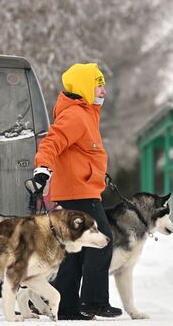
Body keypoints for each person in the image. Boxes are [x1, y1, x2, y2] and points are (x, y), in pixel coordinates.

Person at [27, 63, 122, 320]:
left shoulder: (87, 113)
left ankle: (68, 308)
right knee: (101, 240)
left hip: (80, 189)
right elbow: (52, 141)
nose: (103, 90)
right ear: (83, 86)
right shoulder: (75, 116)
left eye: (103, 84)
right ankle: (94, 302)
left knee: (75, 253)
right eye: (98, 84)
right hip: (79, 191)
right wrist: (43, 168)